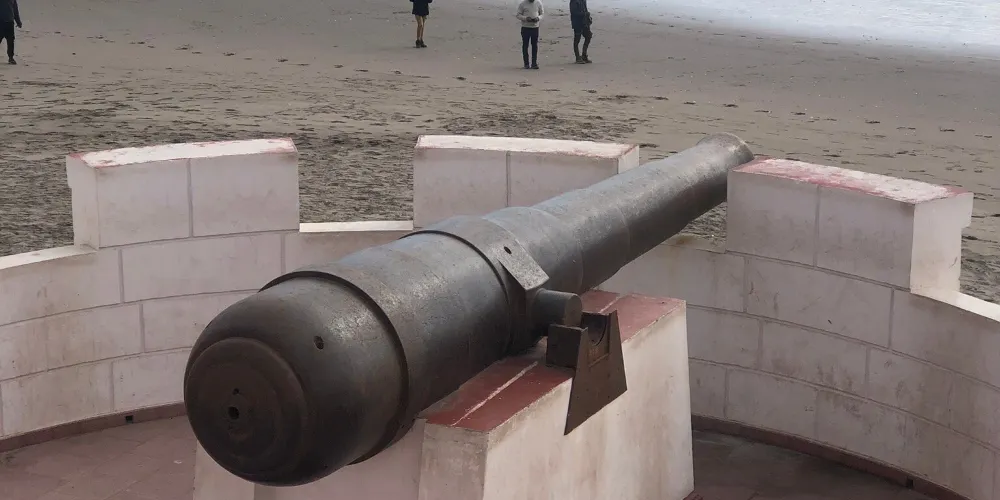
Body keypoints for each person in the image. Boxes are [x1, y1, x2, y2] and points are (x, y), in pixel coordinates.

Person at [516, 0, 543, 69]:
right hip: (525, 27)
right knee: (525, 45)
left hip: (535, 27)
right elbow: (518, 15)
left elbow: (542, 14)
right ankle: (526, 64)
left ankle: (534, 63)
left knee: (534, 46)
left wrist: (538, 18)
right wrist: (526, 18)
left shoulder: (538, 3)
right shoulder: (523, 4)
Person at [0, 0, 21, 65]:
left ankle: (11, 58)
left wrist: (18, 21)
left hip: (9, 22)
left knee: (11, 41)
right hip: (1, 22)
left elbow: (15, 10)